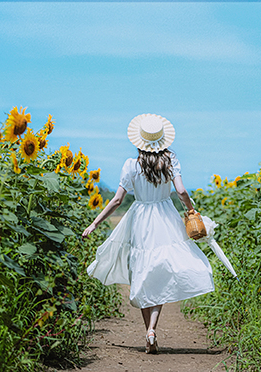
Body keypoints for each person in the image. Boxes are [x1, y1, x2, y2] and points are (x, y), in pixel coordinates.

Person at [82, 113, 214, 354]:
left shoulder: (131, 165)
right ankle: (152, 329)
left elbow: (117, 200)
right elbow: (182, 191)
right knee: (161, 272)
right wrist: (192, 210)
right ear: (162, 139)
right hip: (165, 216)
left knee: (143, 271)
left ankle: (148, 332)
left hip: (141, 218)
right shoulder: (171, 160)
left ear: (139, 141)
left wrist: (94, 223)